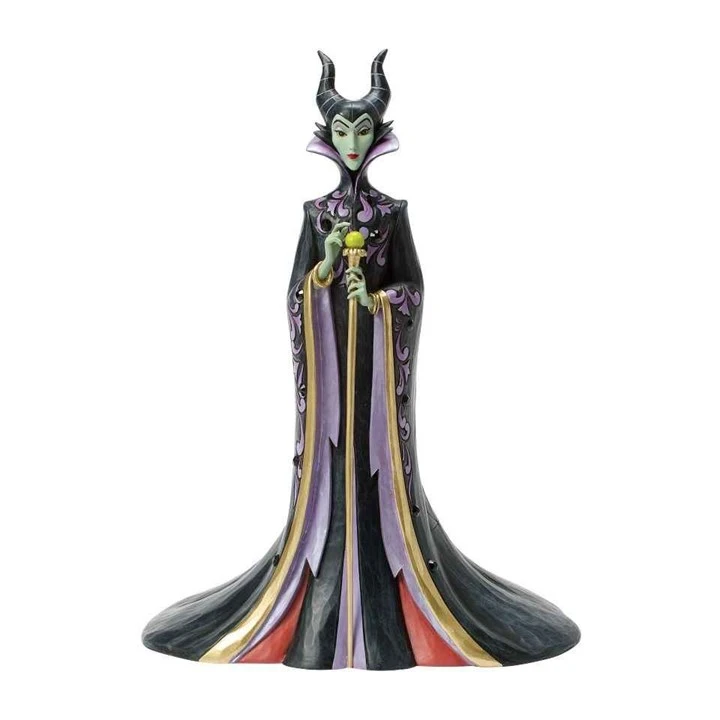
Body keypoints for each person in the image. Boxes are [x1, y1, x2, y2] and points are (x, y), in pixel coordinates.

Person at [142, 50, 581, 670]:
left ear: (378, 137)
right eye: (343, 132)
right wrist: (323, 270)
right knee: (329, 469)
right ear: (329, 137)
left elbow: (414, 290)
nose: (352, 144)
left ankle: (399, 591)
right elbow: (295, 295)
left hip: (375, 371)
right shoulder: (316, 214)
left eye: (363, 131)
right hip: (331, 376)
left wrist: (378, 301)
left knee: (378, 465)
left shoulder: (392, 215)